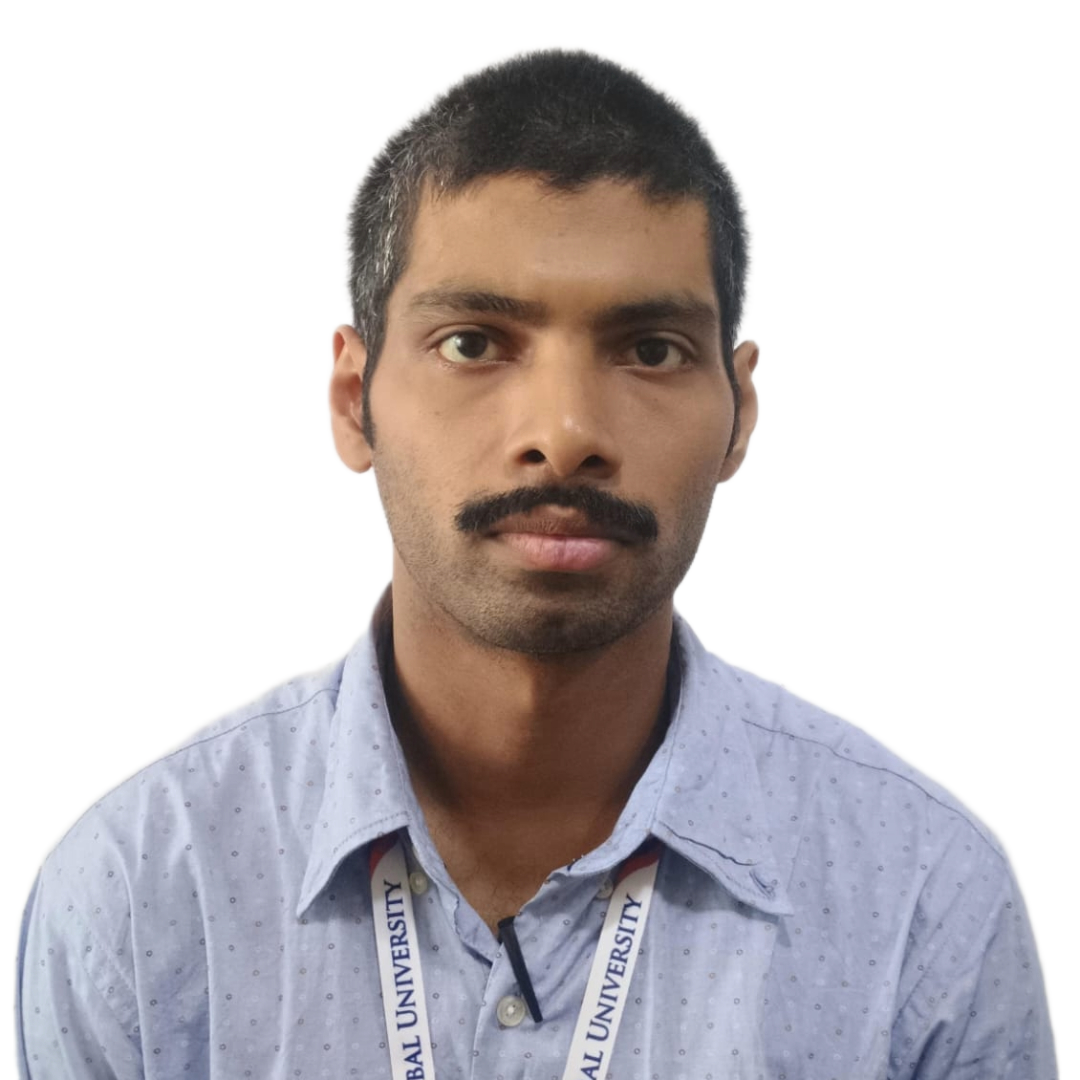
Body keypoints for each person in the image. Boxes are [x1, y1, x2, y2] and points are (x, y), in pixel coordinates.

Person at [16, 48, 1055, 1079]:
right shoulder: (142, 898)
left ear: (739, 414)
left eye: (650, 349)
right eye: (473, 343)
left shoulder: (923, 900)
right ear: (352, 399)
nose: (563, 435)